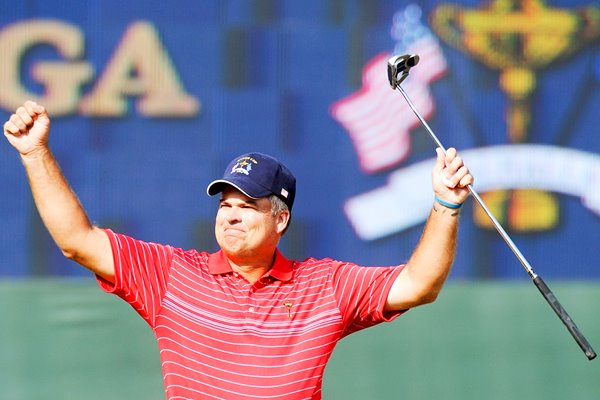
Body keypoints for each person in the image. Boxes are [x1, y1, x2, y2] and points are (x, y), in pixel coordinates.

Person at [4, 100, 473, 400]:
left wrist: (446, 206)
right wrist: (34, 154)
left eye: (247, 206)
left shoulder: (324, 285)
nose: (229, 215)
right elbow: (76, 241)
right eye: (225, 204)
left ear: (280, 219)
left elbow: (419, 284)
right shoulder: (171, 275)